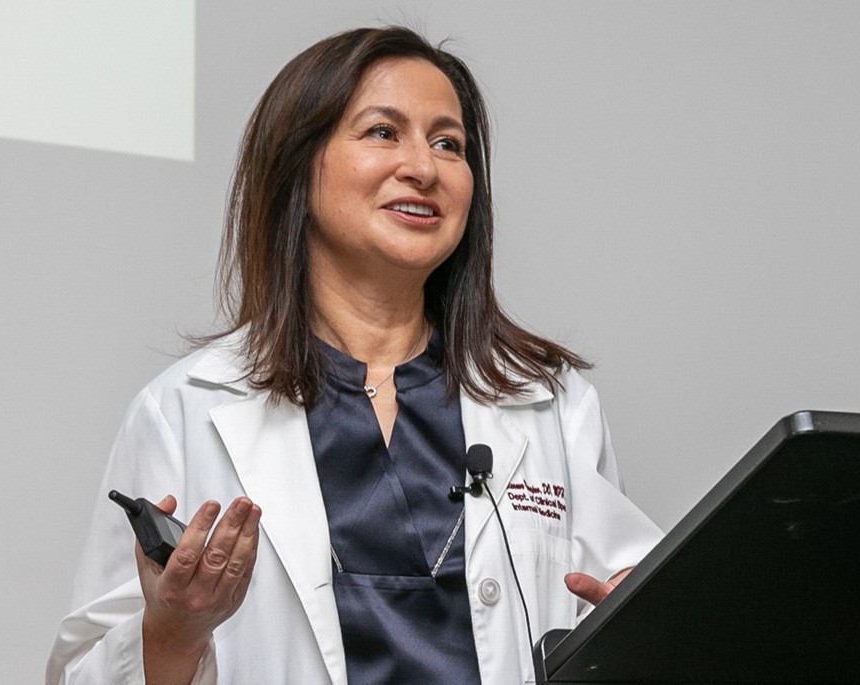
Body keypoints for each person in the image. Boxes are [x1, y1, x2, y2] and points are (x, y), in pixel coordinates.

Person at [47, 26, 663, 685]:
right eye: (382, 132)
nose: (423, 168)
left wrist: (648, 628)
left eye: (448, 144)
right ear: (298, 164)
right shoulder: (184, 411)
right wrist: (171, 633)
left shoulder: (553, 404)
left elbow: (633, 617)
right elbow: (83, 672)